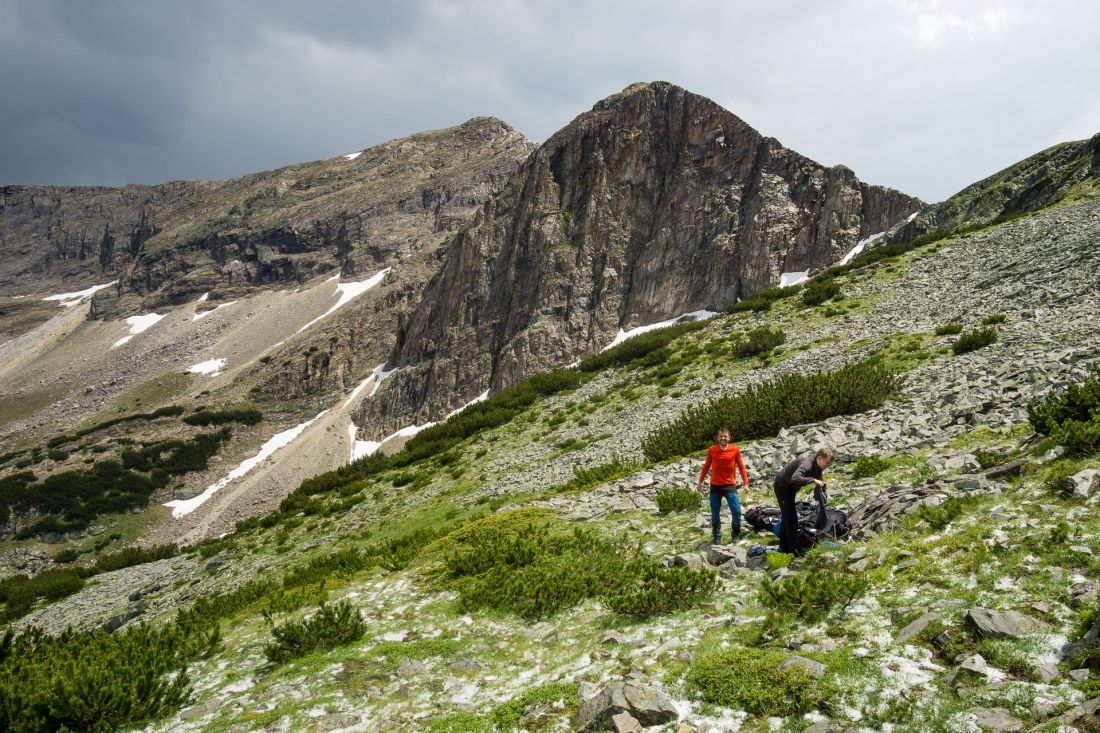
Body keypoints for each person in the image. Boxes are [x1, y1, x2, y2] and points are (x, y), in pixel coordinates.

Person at [773, 447, 834, 555]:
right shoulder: (807, 463)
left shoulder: (818, 467)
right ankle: (793, 549)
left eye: (829, 464)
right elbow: (795, 478)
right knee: (791, 519)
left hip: (790, 489)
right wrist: (813, 480)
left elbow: (818, 479)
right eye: (827, 463)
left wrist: (822, 484)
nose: (827, 466)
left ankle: (783, 547)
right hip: (782, 486)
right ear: (819, 458)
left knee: (787, 516)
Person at [696, 427, 750, 543]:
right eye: (721, 436)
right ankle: (717, 536)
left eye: (725, 436)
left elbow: (741, 467)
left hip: (730, 485)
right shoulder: (712, 450)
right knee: (715, 514)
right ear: (718, 438)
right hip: (715, 486)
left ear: (729, 438)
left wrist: (746, 484)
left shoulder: (735, 450)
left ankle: (735, 534)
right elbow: (706, 467)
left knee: (736, 511)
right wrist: (700, 482)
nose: (723, 438)